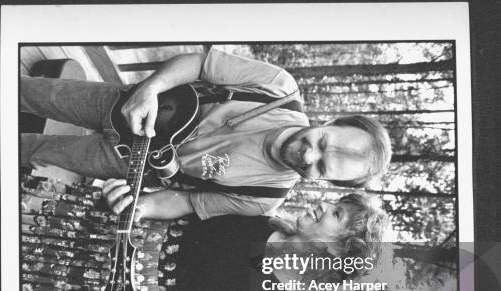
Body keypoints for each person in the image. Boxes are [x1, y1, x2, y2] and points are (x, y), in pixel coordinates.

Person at [20, 47, 392, 221]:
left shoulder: (264, 199)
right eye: (324, 142)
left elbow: (187, 202)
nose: (309, 157)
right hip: (136, 104)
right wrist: (150, 89)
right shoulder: (279, 88)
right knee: (33, 93)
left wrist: (143, 207)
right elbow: (199, 63)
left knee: (35, 151)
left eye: (322, 167)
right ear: (331, 121)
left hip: (132, 163)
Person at [20, 175, 389, 291]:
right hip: (109, 221)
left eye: (336, 214)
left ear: (337, 249)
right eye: (336, 203)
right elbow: (186, 204)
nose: (324, 206)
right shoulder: (262, 215)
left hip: (110, 279)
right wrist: (139, 204)